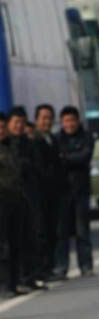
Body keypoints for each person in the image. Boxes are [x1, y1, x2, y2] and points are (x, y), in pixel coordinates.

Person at [50, 106, 95, 281]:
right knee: (62, 233)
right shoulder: (56, 139)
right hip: (62, 192)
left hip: (81, 191)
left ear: (78, 121)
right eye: (66, 121)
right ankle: (61, 267)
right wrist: (69, 158)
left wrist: (65, 158)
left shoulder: (86, 137)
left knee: (82, 231)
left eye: (72, 120)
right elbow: (55, 161)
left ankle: (86, 265)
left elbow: (84, 157)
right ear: (62, 122)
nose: (69, 124)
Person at [6, 106, 46, 290]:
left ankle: (31, 276)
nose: (19, 126)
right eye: (16, 122)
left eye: (22, 122)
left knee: (32, 236)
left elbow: (38, 166)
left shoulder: (29, 143)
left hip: (30, 195)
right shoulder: (7, 145)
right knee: (16, 240)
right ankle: (17, 279)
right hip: (11, 198)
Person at [34, 104, 62, 281]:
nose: (47, 121)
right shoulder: (34, 140)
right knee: (41, 232)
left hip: (54, 193)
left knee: (53, 231)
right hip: (40, 194)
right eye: (43, 118)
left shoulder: (52, 138)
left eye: (49, 118)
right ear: (37, 119)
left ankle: (50, 267)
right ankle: (43, 269)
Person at [0, 112, 27, 296]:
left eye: (3, 127)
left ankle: (15, 282)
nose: (1, 131)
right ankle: (4, 285)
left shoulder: (12, 147)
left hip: (15, 200)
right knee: (2, 246)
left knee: (15, 242)